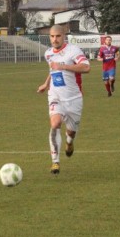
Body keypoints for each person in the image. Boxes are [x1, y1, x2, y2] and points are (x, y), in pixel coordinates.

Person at [37, 25, 91, 175]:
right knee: (55, 124)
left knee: (71, 132)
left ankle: (69, 142)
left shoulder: (73, 51)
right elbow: (52, 70)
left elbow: (86, 67)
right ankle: (55, 161)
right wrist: (46, 83)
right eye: (52, 36)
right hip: (55, 95)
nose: (55, 39)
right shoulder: (48, 53)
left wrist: (64, 66)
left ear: (64, 36)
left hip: (74, 98)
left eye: (58, 36)